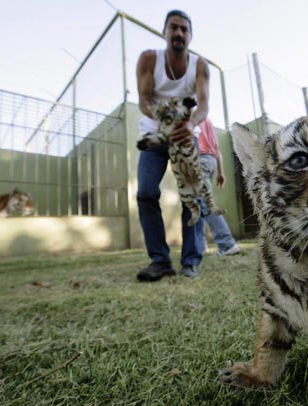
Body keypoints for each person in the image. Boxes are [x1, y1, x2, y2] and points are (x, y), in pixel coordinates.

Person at [135, 9, 210, 282]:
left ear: (190, 35)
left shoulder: (199, 65)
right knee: (145, 193)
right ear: (164, 31)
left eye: (184, 29)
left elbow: (203, 104)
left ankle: (191, 260)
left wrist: (189, 125)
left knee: (194, 196)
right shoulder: (148, 59)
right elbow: (144, 100)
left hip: (185, 137)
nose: (179, 33)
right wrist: (165, 123)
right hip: (156, 135)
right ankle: (160, 261)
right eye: (174, 28)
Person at [198, 118, 240, 256]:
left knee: (205, 204)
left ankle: (227, 244)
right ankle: (200, 245)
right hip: (210, 161)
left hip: (199, 160)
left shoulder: (191, 115)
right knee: (197, 204)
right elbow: (217, 149)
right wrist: (221, 173)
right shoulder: (208, 121)